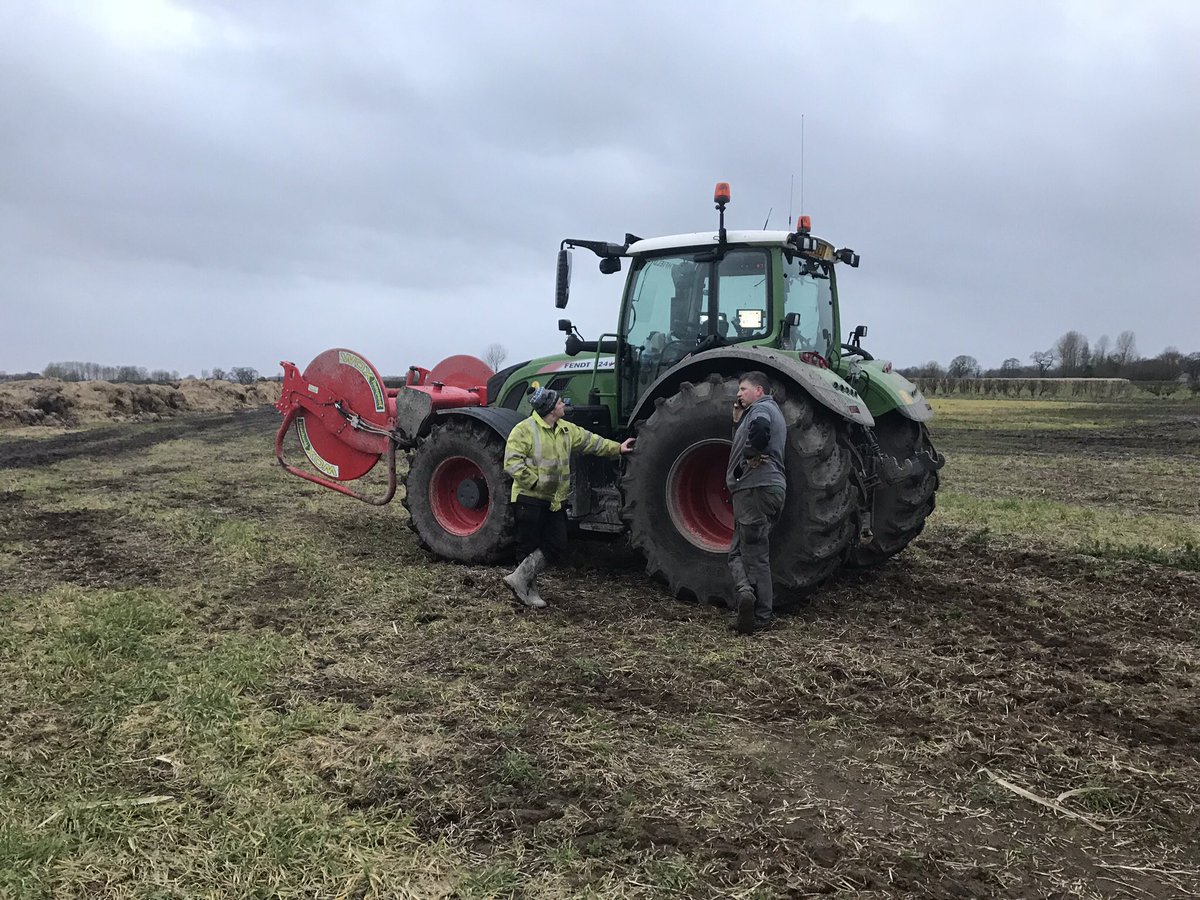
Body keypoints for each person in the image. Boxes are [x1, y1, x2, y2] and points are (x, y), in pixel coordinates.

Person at [503, 385, 635, 608]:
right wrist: (534, 482)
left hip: (555, 499)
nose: (563, 403)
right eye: (559, 402)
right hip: (529, 498)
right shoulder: (523, 430)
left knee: (557, 542)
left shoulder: (566, 429)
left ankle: (519, 580)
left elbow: (592, 441)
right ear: (550, 409)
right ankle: (527, 590)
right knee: (528, 545)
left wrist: (618, 448)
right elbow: (512, 463)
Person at [726, 371, 787, 634]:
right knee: (752, 548)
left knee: (747, 553)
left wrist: (752, 452)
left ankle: (754, 605)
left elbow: (760, 429)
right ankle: (752, 600)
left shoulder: (761, 410)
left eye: (743, 389)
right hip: (769, 489)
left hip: (755, 490)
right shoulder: (772, 412)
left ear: (759, 390)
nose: (739, 394)